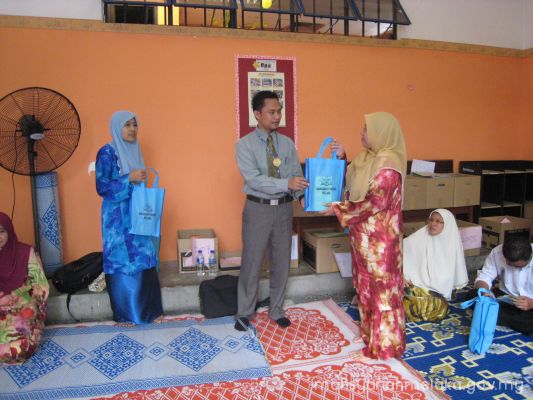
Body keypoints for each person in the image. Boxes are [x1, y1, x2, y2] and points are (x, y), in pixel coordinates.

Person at [323, 112, 407, 359]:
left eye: (367, 129)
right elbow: (353, 178)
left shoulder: (388, 164)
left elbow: (374, 202)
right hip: (362, 238)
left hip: (381, 242)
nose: (362, 133)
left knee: (382, 291)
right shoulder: (368, 158)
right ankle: (371, 335)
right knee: (366, 287)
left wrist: (338, 208)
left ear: (381, 133)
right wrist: (343, 157)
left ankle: (386, 345)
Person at [234, 91, 308, 331]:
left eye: (279, 111)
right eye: (272, 112)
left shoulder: (287, 144)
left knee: (281, 261)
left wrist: (302, 196)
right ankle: (244, 312)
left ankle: (276, 310)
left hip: (284, 209)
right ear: (257, 114)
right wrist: (287, 184)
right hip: (258, 209)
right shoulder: (244, 145)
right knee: (252, 262)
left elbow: (296, 175)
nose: (277, 116)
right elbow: (254, 180)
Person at [95, 110, 163, 325]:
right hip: (116, 220)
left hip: (137, 213)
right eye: (127, 125)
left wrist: (138, 179)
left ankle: (150, 312)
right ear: (117, 128)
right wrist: (129, 178)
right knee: (121, 261)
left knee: (145, 255)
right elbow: (102, 187)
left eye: (135, 125)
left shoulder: (134, 150)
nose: (132, 129)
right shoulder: (106, 152)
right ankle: (125, 315)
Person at [0, 212, 49, 364]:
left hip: (23, 306)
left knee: (20, 348)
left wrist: (33, 303)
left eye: (1, 231)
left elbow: (41, 284)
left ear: (9, 231)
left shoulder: (25, 252)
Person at [403, 209, 469, 301]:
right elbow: (399, 251)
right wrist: (402, 275)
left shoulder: (452, 242)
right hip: (415, 285)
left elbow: (450, 275)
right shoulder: (419, 236)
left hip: (437, 290)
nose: (433, 224)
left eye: (438, 221)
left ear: (447, 224)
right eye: (431, 220)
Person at [474, 235, 533, 336]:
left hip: (530, 303)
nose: (515, 269)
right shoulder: (497, 252)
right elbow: (484, 277)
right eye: (510, 265)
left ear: (531, 254)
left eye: (520, 266)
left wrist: (531, 304)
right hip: (506, 296)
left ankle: (494, 315)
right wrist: (485, 292)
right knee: (474, 295)